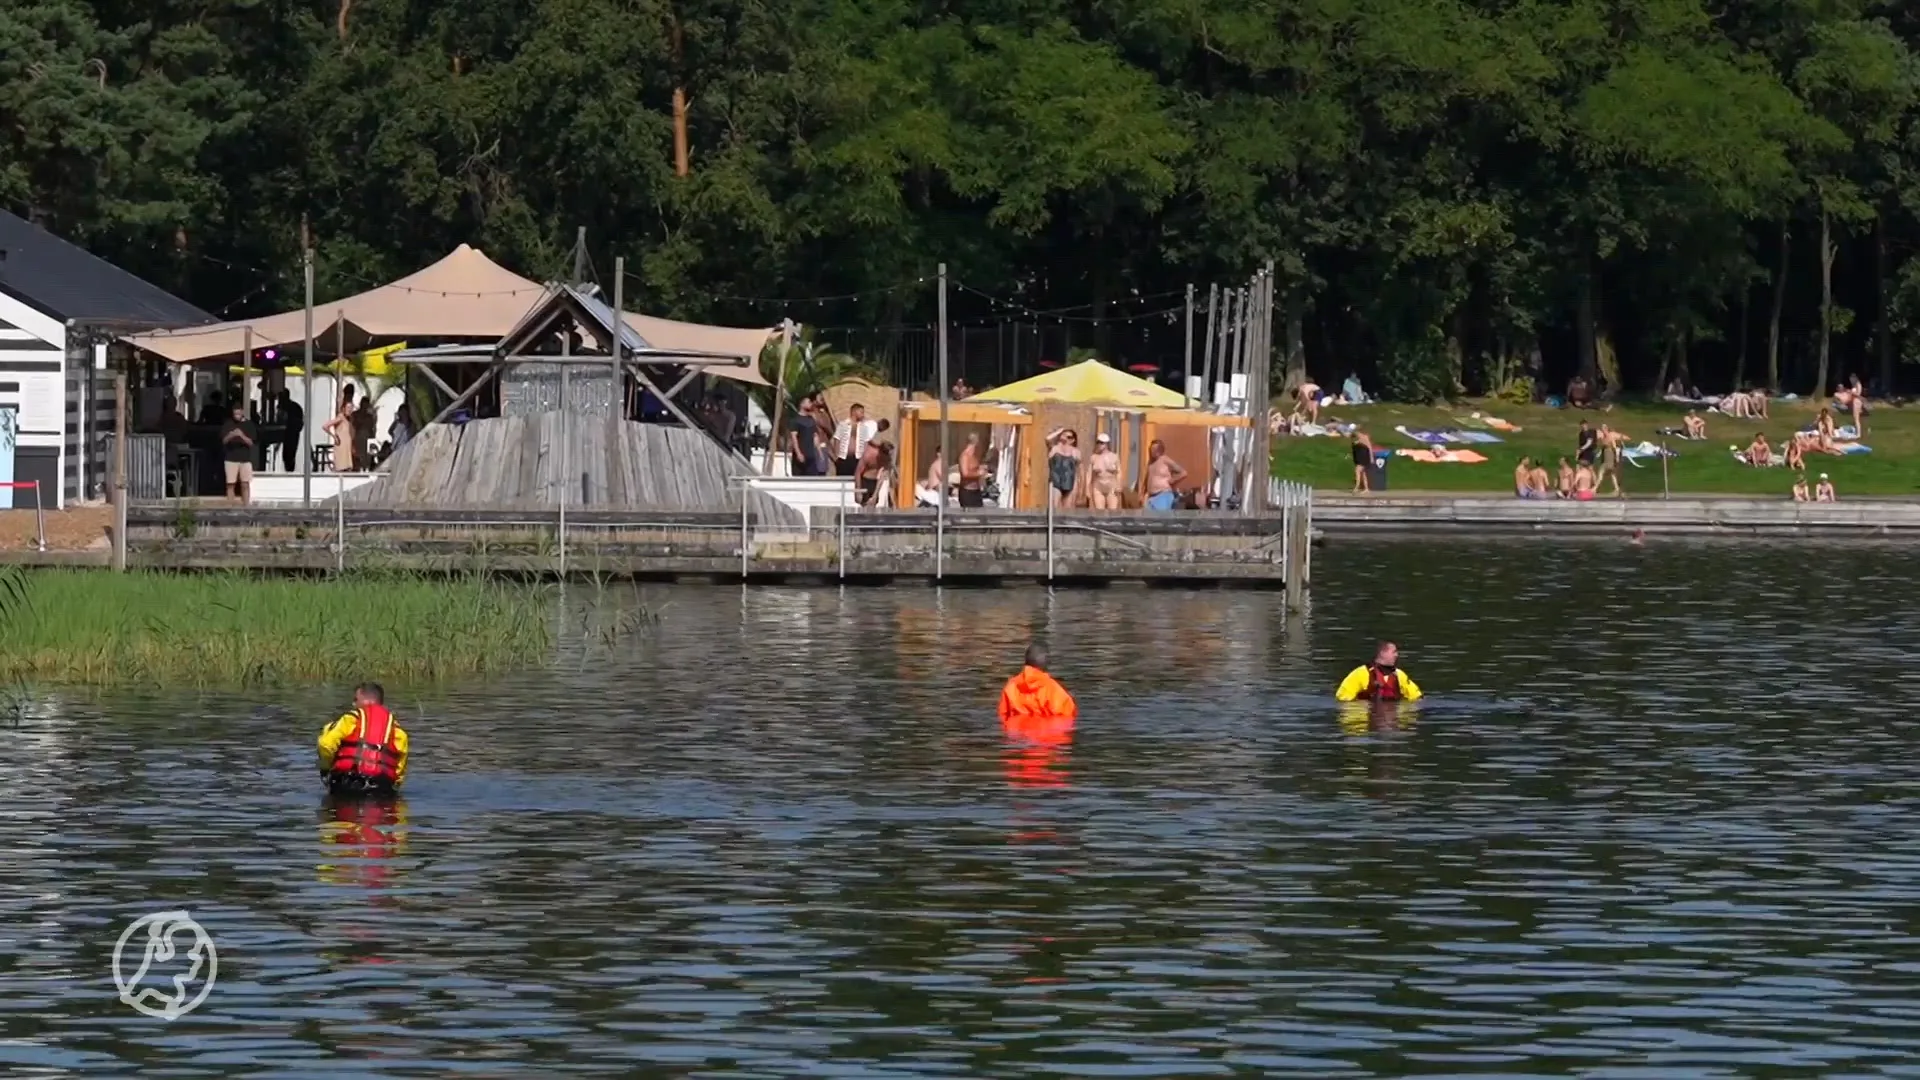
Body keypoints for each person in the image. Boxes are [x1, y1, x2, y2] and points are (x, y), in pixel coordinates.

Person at [317, 683, 409, 796]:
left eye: (356, 699)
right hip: (382, 790)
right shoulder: (397, 730)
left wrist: (327, 768)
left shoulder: (350, 719)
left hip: (347, 785)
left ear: (367, 701)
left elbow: (326, 744)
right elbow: (400, 768)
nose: (353, 703)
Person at [998, 643, 1077, 719]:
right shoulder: (1054, 690)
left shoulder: (1010, 687)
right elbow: (1067, 715)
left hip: (1018, 730)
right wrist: (1071, 699)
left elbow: (1003, 715)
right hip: (1046, 731)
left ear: (1026, 661)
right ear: (1047, 661)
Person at [1335, 641, 1424, 702]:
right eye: (1394, 652)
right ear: (1383, 653)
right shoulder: (1360, 673)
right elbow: (1342, 699)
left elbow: (1417, 698)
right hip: (1368, 720)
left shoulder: (1399, 675)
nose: (1397, 655)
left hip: (1392, 717)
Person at [220, 402, 257, 503]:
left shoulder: (249, 425)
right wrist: (231, 435)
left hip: (245, 459)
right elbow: (223, 441)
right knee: (230, 484)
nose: (237, 416)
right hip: (230, 458)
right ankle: (230, 507)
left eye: (238, 414)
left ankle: (246, 506)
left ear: (242, 412)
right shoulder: (228, 424)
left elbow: (251, 443)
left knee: (245, 484)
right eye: (235, 414)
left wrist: (241, 435)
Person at [852, 419, 893, 507]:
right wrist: (858, 490)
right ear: (880, 452)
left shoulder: (887, 460)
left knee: (873, 504)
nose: (885, 458)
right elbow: (858, 472)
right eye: (884, 456)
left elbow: (882, 477)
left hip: (874, 482)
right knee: (864, 505)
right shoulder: (869, 454)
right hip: (864, 481)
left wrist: (875, 495)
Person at [1143, 440, 1187, 511]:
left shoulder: (1165, 460)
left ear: (1160, 450)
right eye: (1151, 449)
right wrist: (1143, 494)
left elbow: (1183, 473)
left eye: (1154, 449)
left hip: (1163, 495)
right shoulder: (1150, 463)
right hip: (1151, 498)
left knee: (1160, 519)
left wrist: (1173, 480)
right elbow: (1147, 480)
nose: (1152, 451)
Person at [1046, 429, 1080, 509]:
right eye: (1064, 435)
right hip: (1056, 482)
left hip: (1070, 483)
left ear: (1073, 440)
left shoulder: (1076, 452)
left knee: (1068, 509)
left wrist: (1079, 487)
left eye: (1069, 437)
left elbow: (1078, 471)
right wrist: (1058, 432)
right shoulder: (1054, 448)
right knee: (1054, 507)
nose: (1065, 437)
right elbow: (1047, 439)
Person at [1088, 432, 1121, 510]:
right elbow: (1089, 475)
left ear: (1107, 444)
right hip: (1098, 486)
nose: (1099, 445)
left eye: (1102, 443)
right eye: (1098, 442)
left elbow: (1119, 472)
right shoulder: (1094, 457)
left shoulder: (1114, 456)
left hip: (1111, 486)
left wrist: (1119, 485)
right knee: (1099, 512)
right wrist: (1087, 489)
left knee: (1112, 512)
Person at [957, 432, 986, 508]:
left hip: (976, 491)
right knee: (969, 518)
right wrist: (978, 473)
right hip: (967, 492)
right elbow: (965, 473)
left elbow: (975, 469)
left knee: (980, 515)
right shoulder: (965, 456)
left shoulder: (974, 455)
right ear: (976, 442)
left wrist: (981, 469)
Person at [1351, 429, 1373, 494]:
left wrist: (1371, 458)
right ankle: (1366, 489)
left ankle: (1356, 487)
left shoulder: (1363, 438)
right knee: (1363, 474)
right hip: (1362, 458)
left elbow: (1369, 448)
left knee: (1357, 471)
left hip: (1363, 458)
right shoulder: (1361, 438)